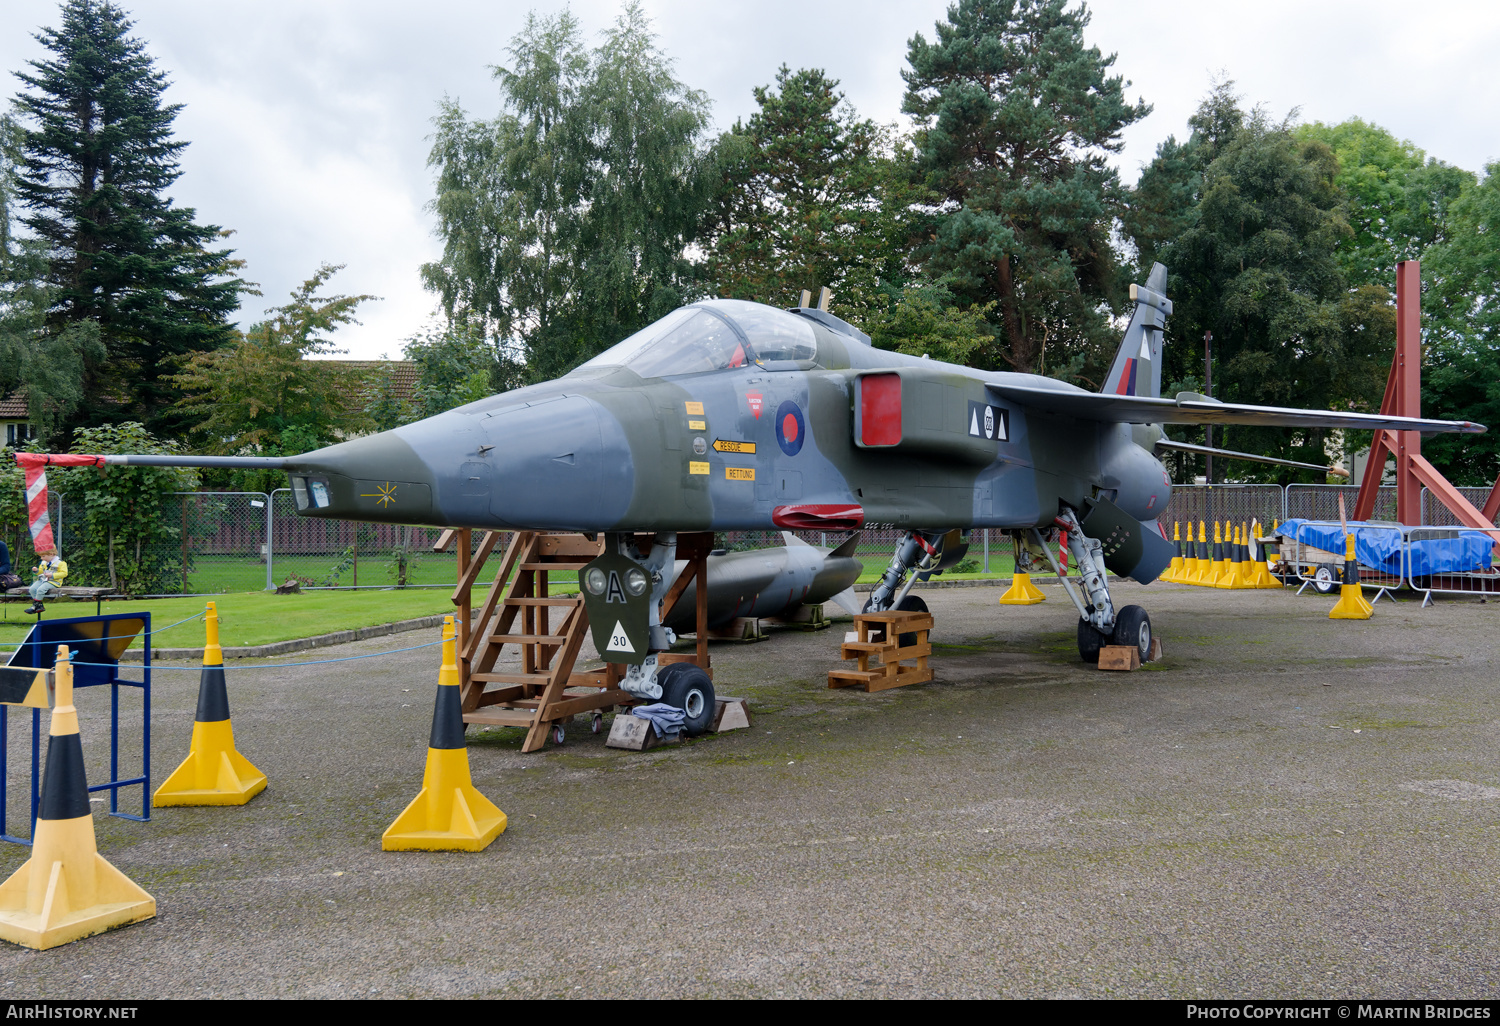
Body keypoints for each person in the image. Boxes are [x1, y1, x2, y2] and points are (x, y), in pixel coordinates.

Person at [24, 549, 67, 615]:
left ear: (51, 554)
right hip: (43, 580)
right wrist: (36, 571)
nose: (41, 558)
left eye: (43, 556)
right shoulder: (43, 562)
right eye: (41, 556)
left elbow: (64, 573)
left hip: (54, 581)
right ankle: (39, 606)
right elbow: (41, 572)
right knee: (32, 589)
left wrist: (52, 575)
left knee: (40, 590)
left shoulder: (61, 563)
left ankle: (34, 606)